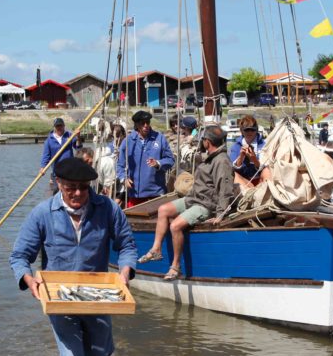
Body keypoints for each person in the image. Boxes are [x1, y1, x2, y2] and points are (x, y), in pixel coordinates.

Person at [9, 157, 137, 356]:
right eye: (70, 188)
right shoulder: (42, 213)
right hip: (59, 300)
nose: (78, 194)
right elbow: (19, 256)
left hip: (98, 295)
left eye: (83, 188)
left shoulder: (108, 209)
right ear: (58, 185)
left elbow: (127, 246)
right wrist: (29, 280)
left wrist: (125, 271)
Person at [137, 125, 234, 281]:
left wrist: (220, 214)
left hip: (205, 205)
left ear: (207, 142)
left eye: (203, 140)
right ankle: (156, 249)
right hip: (194, 198)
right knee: (163, 210)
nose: (201, 142)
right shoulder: (211, 157)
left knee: (175, 226)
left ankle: (175, 266)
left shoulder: (222, 161)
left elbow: (225, 188)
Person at [116, 110, 174, 207]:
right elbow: (120, 165)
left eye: (148, 122)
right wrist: (123, 179)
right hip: (136, 194)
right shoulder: (128, 141)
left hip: (157, 192)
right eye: (142, 123)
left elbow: (170, 160)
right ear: (137, 124)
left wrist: (158, 163)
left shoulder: (159, 138)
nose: (146, 125)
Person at [228, 115, 271, 190]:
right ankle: (248, 194)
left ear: (256, 130)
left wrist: (254, 159)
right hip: (244, 182)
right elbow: (232, 168)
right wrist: (241, 157)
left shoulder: (264, 145)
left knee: (267, 170)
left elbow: (267, 166)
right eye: (246, 130)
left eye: (252, 130)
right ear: (241, 131)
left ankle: (265, 193)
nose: (249, 132)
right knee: (233, 174)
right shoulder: (236, 146)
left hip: (260, 180)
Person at [41, 117, 82, 194]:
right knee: (58, 193)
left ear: (64, 126)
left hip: (69, 170)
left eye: (61, 126)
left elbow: (78, 148)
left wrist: (78, 137)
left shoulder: (69, 136)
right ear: (54, 127)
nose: (59, 128)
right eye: (57, 126)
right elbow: (46, 156)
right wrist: (43, 168)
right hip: (57, 172)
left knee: (70, 192)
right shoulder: (49, 141)